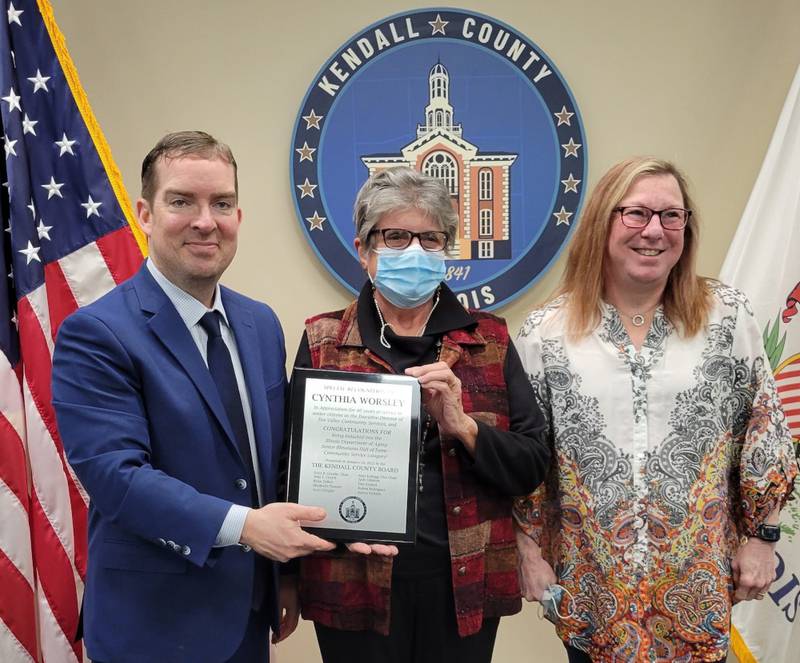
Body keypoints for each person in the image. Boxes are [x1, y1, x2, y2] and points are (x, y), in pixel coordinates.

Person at [51, 131, 337, 663]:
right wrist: (250, 529)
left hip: (249, 619)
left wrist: (290, 574)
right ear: (145, 213)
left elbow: (272, 461)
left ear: (239, 217)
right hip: (153, 625)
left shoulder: (260, 323)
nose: (206, 221)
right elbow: (117, 477)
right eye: (182, 201)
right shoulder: (96, 333)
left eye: (222, 203)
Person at [513, 156, 799, 662]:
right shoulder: (545, 333)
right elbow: (526, 459)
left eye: (672, 216)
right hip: (593, 597)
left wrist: (763, 539)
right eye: (637, 214)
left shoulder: (727, 318)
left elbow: (764, 434)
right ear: (604, 221)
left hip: (698, 593)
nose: (655, 231)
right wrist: (528, 552)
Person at [280, 166, 551, 663]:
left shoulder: (489, 340)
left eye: (430, 238)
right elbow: (290, 471)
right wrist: (285, 578)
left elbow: (532, 465)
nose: (414, 250)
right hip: (350, 585)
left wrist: (464, 427)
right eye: (397, 236)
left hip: (463, 586)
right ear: (365, 251)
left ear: (446, 252)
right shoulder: (323, 341)